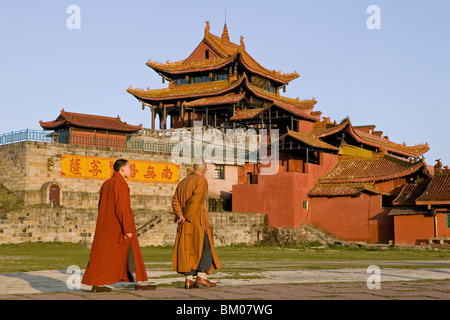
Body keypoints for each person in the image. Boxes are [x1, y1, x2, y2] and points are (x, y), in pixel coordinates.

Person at [82, 159, 156, 292]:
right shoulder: (120, 184)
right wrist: (127, 228)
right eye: (129, 168)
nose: (131, 170)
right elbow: (122, 208)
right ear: (122, 169)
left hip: (106, 225)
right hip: (118, 226)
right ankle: (139, 282)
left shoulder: (106, 184)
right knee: (131, 252)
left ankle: (99, 284)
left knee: (105, 255)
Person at [172, 160, 221, 289]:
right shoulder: (201, 181)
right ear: (205, 171)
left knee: (187, 249)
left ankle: (188, 279)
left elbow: (175, 200)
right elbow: (196, 199)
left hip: (184, 220)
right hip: (196, 220)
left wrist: (180, 215)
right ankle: (201, 277)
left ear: (193, 168)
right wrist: (187, 216)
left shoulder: (183, 182)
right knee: (205, 246)